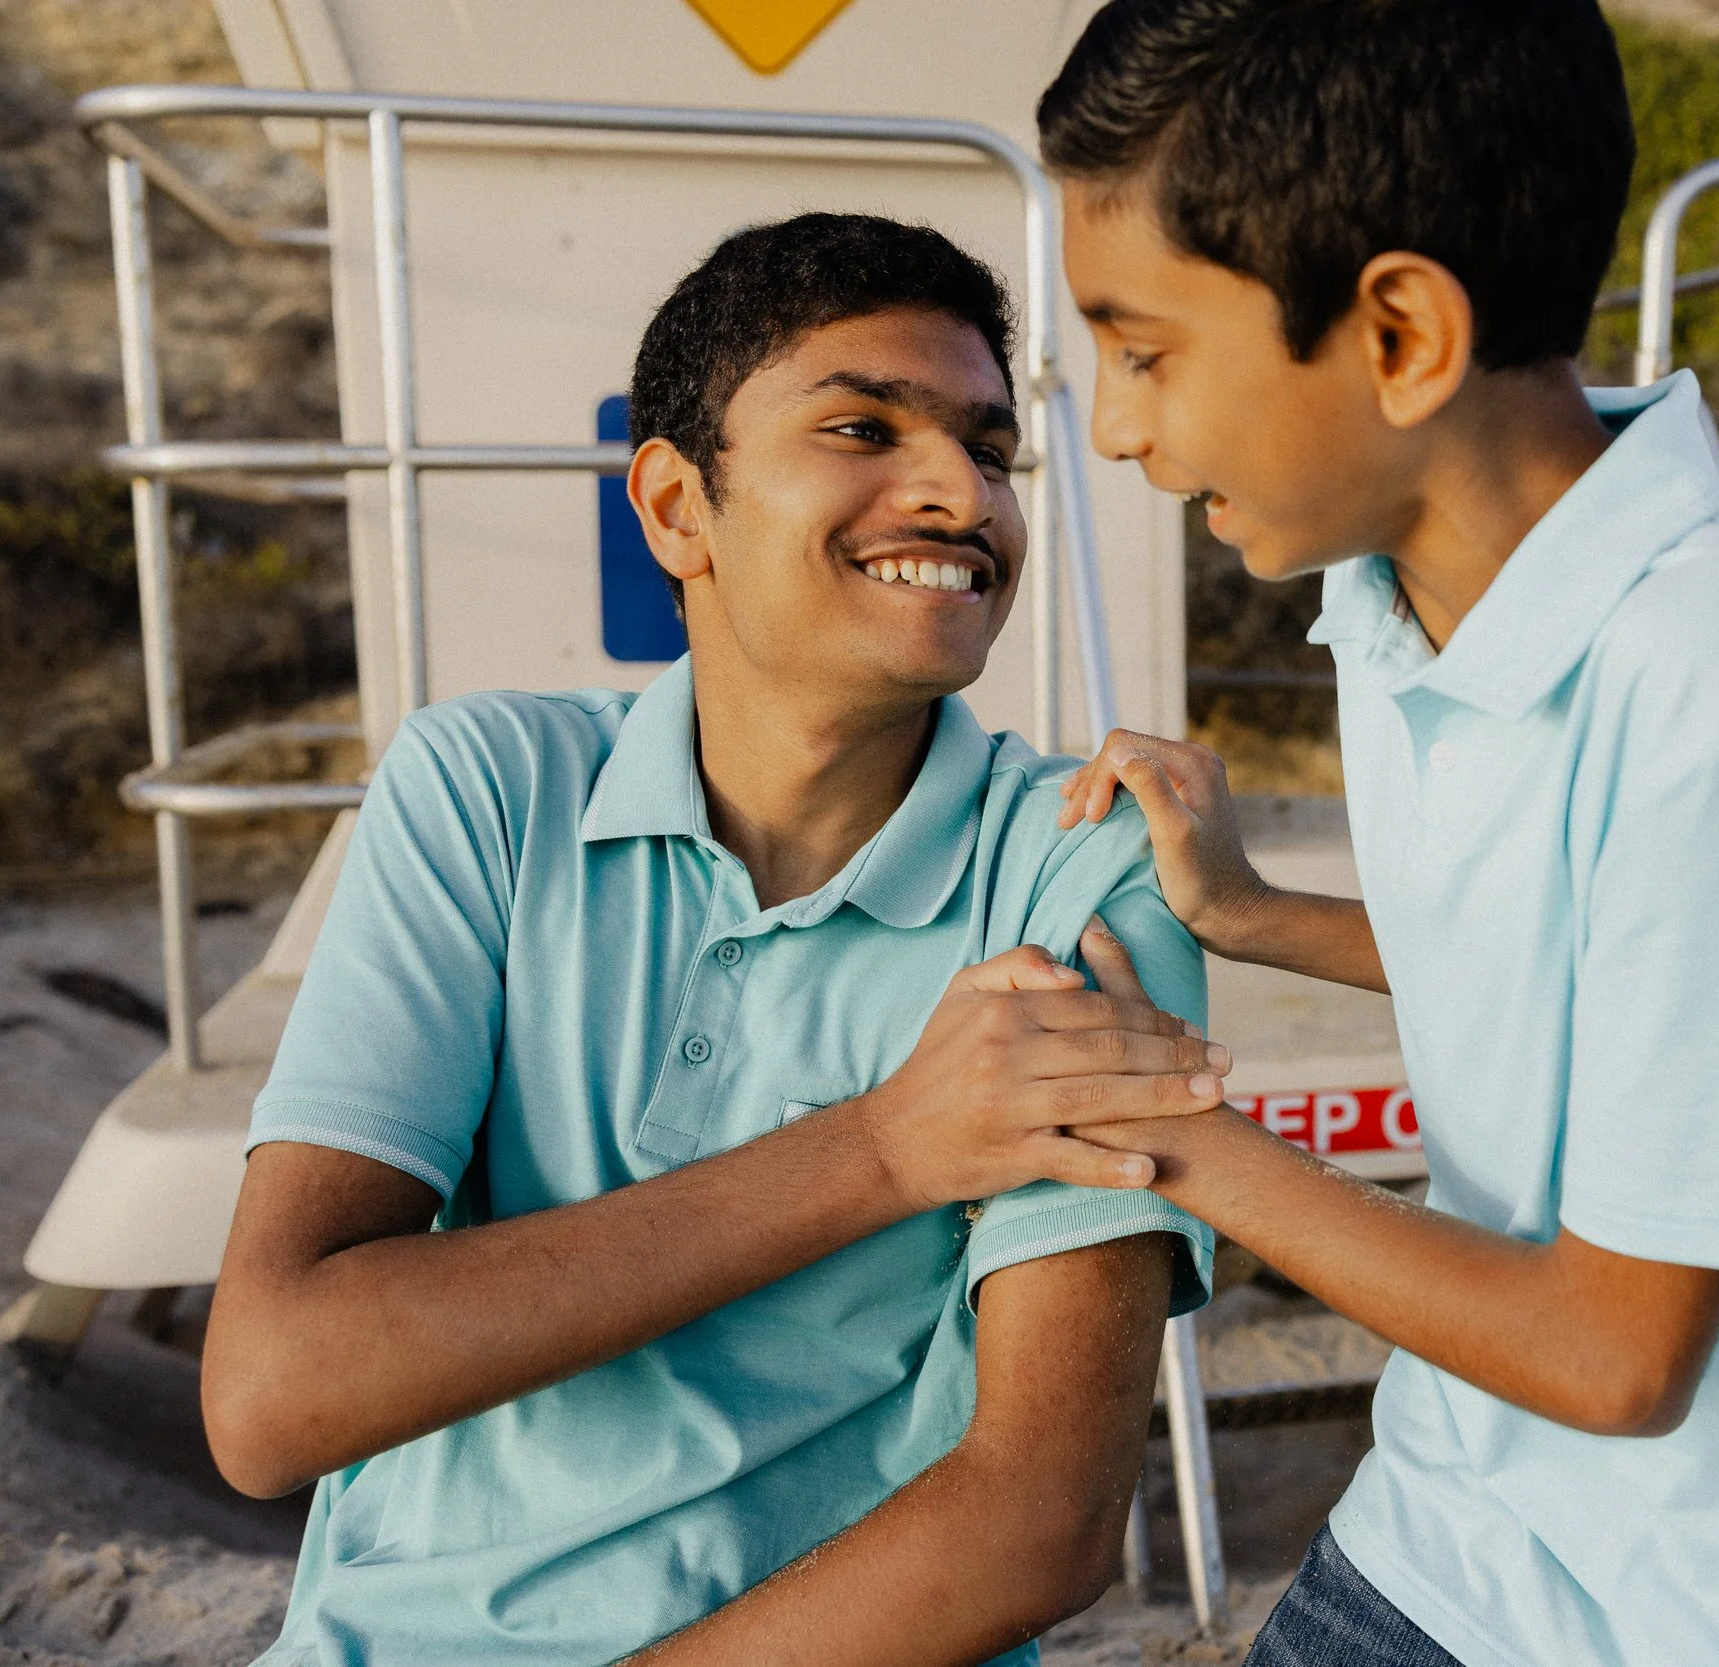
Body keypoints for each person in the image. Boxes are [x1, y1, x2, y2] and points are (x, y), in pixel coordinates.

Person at [1035, 3, 1719, 1663]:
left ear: (1400, 333)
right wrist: (1255, 912)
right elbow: (1578, 975)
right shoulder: (1398, 599)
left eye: (1146, 348)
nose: (1113, 425)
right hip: (1466, 1525)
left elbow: (1619, 1358)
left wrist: (1168, 1133)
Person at [206, 211, 1228, 1667]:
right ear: (678, 509)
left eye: (991, 450)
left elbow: (1042, 1515)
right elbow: (269, 1397)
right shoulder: (485, 790)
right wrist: (882, 1148)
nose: (959, 492)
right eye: (865, 427)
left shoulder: (1078, 863)